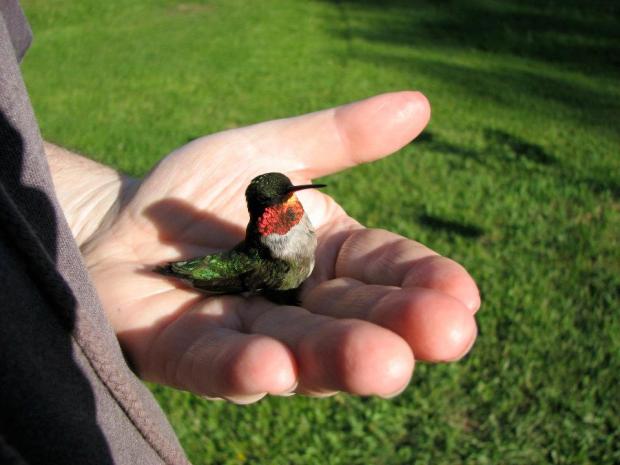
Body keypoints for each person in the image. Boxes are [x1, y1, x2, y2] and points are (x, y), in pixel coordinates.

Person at [0, 1, 480, 463]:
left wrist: (98, 209)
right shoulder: (271, 257)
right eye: (283, 200)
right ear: (264, 216)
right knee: (219, 275)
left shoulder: (296, 225)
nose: (296, 200)